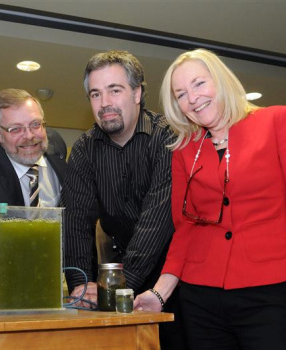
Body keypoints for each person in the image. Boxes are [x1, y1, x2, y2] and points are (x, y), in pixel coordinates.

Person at [134, 48, 286, 350]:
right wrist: (159, 293)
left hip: (270, 292)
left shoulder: (277, 121)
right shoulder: (184, 149)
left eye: (199, 84)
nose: (192, 98)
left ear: (220, 80)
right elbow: (185, 230)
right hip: (201, 299)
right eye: (181, 94)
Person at [62, 50, 185, 349]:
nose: (104, 103)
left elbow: (156, 222)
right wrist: (81, 288)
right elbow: (76, 221)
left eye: (114, 90)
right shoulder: (84, 149)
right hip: (118, 271)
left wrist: (115, 287)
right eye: (95, 94)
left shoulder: (168, 137)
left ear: (137, 92)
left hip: (174, 275)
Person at [0, 88, 67, 309]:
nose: (29, 136)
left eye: (35, 125)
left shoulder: (61, 166)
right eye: (15, 129)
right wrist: (26, 297)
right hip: (3, 302)